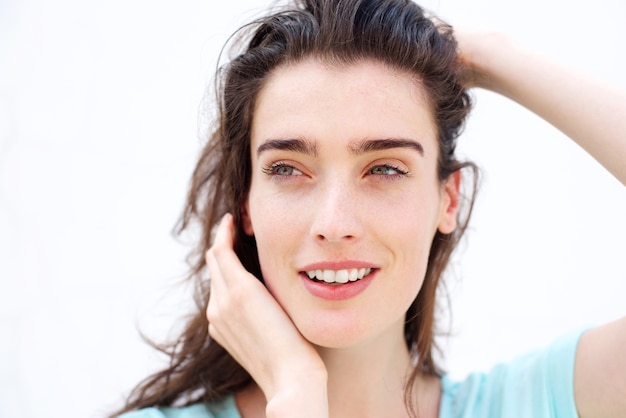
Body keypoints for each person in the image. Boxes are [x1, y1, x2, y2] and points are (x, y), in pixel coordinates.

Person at [112, 0, 626, 417]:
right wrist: (295, 397)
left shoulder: (537, 403)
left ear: (449, 199)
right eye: (288, 169)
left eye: (384, 169)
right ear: (246, 205)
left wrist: (491, 54)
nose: (334, 224)